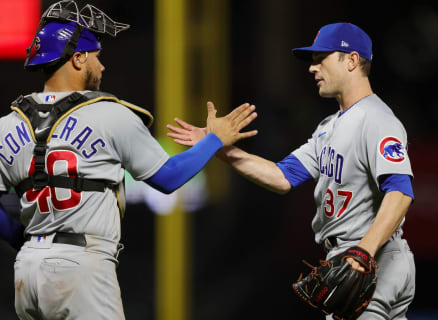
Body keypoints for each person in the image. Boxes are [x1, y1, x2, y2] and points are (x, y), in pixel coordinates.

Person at [0, 1, 257, 319]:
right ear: (78, 59)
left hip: (27, 272)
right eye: (97, 56)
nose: (102, 67)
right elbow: (168, 178)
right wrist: (215, 139)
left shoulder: (8, 125)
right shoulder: (109, 114)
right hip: (80, 269)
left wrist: (20, 237)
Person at [167, 22, 416, 319]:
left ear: (351, 60)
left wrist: (363, 252)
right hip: (357, 256)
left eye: (321, 58)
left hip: (371, 257)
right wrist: (218, 148)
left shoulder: (376, 119)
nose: (312, 68)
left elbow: (401, 191)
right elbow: (282, 176)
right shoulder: (329, 127)